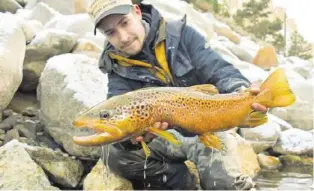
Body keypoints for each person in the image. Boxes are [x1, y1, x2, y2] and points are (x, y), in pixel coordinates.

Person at [87, 0, 267, 189]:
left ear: (137, 12)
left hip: (207, 125)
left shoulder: (181, 35)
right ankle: (185, 184)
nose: (122, 37)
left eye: (124, 23)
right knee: (117, 155)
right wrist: (133, 140)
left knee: (222, 180)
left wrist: (241, 91)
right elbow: (117, 112)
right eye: (110, 32)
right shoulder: (115, 66)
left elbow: (219, 70)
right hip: (163, 138)